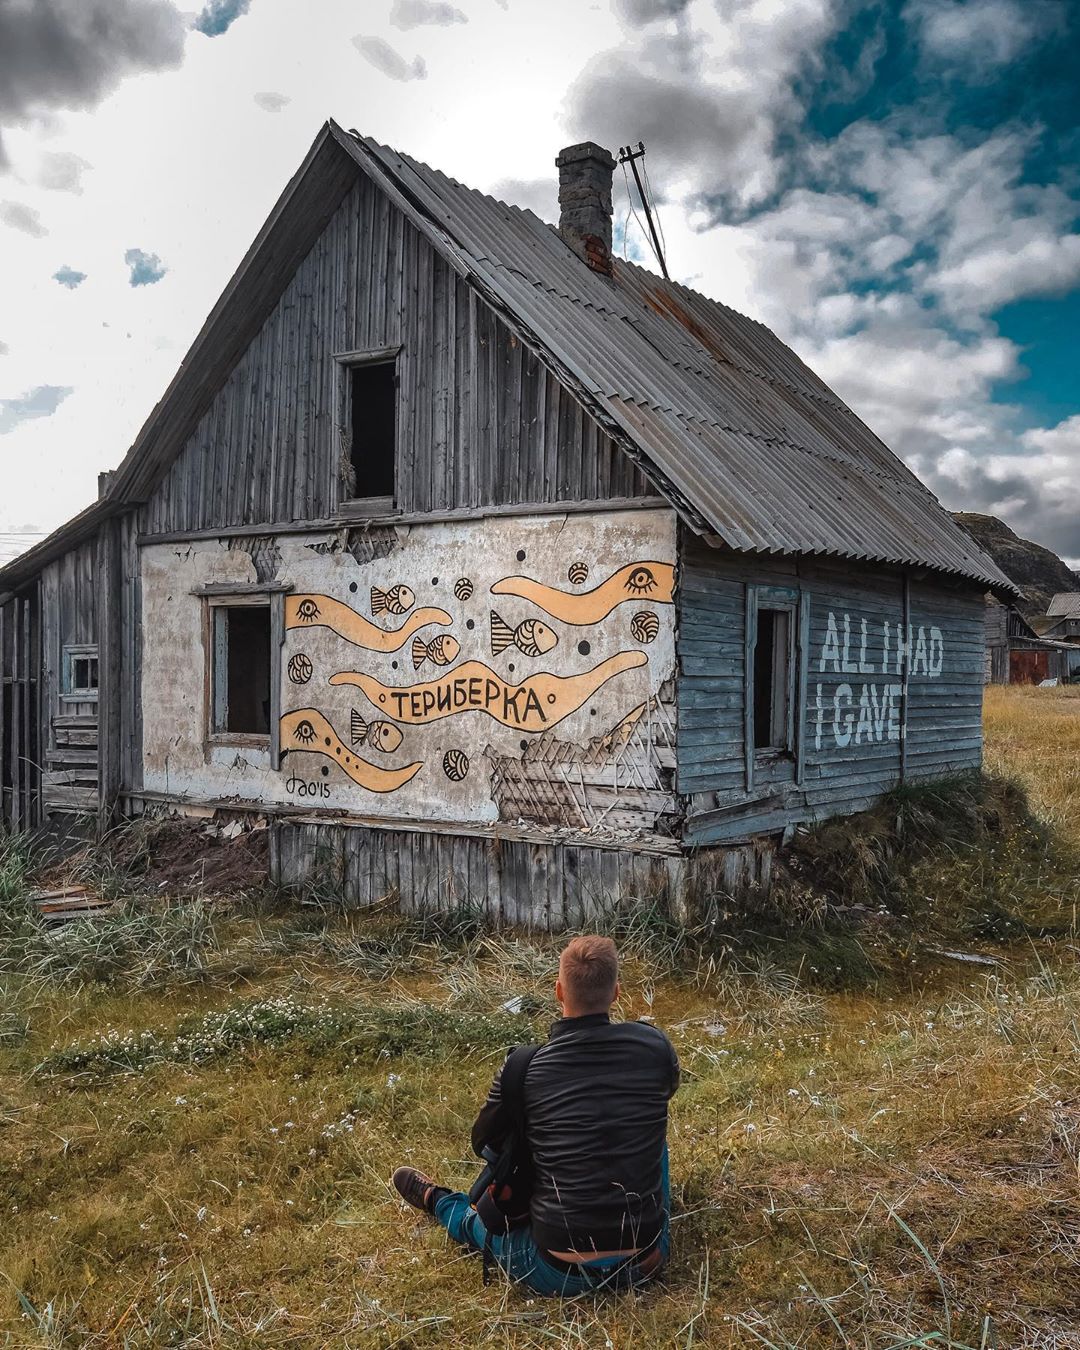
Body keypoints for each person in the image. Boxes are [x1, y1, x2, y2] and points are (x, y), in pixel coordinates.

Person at [392, 934, 679, 1294]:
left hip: (557, 1270)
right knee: (655, 1141)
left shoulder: (523, 1067)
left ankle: (439, 1202)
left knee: (477, 1224)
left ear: (559, 991)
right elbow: (666, 1091)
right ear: (617, 993)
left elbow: (483, 1141)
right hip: (646, 1259)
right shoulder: (655, 1047)